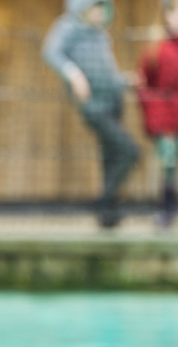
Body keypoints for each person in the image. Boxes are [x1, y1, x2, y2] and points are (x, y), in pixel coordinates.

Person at [43, 0, 140, 229]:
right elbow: (50, 52)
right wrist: (73, 75)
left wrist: (127, 81)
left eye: (102, 7)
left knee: (111, 158)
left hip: (114, 101)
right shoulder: (68, 26)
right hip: (94, 106)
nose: (99, 12)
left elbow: (107, 72)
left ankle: (108, 215)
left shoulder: (99, 34)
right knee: (129, 151)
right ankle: (104, 201)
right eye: (95, 7)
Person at [138, 0, 178, 228]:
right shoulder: (155, 48)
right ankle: (167, 210)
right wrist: (155, 116)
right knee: (169, 164)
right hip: (165, 120)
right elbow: (143, 85)